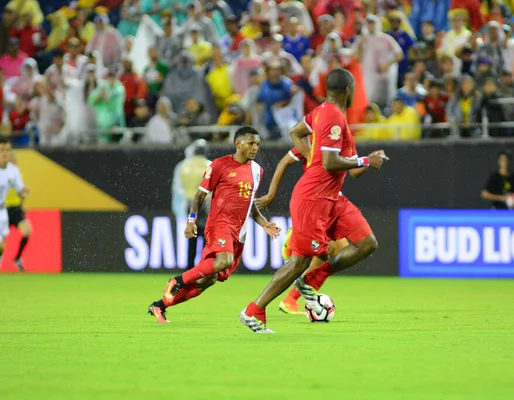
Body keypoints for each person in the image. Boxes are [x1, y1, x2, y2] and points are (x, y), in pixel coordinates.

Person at [240, 69, 389, 333]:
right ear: (348, 89)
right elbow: (331, 162)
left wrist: (367, 159)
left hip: (333, 198)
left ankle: (312, 280)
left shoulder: (324, 113)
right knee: (299, 260)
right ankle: (254, 310)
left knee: (367, 243)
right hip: (313, 198)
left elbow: (299, 135)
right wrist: (358, 160)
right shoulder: (332, 116)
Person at [149, 126, 281, 323]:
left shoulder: (257, 171)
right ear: (238, 144)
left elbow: (249, 203)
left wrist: (263, 223)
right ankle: (178, 280)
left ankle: (160, 305)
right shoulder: (219, 165)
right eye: (251, 143)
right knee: (224, 260)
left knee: (207, 281)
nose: (255, 148)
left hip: (239, 231)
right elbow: (200, 195)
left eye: (258, 144)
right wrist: (191, 221)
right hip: (219, 224)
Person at [254, 146, 350, 314]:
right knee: (327, 251)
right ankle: (288, 298)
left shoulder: (340, 140)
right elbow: (284, 161)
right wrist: (270, 194)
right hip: (314, 201)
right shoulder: (313, 141)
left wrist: (363, 162)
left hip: (331, 200)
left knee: (335, 250)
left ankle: (291, 298)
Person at [171, 139, 212, 270]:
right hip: (205, 206)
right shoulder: (210, 166)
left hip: (190, 206)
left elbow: (178, 189)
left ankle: (189, 267)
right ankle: (205, 266)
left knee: (192, 239)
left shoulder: (184, 166)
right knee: (206, 237)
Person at [0, 138, 29, 268]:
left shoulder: (13, 170)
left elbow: (20, 189)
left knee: (1, 248)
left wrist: (23, 191)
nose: (5, 153)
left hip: (3, 211)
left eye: (7, 150)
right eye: (2, 150)